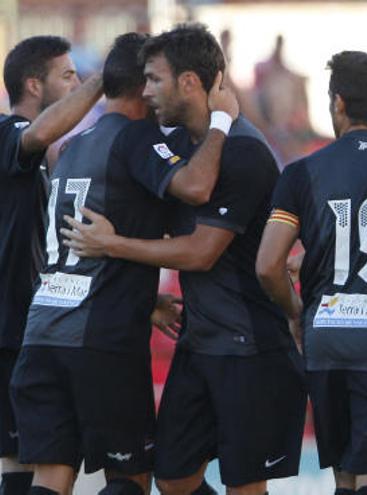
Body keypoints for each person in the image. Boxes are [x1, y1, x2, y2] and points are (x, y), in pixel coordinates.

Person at [61, 24, 306, 495]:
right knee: (173, 478)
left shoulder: (245, 151)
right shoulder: (179, 147)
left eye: (154, 79)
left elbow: (200, 252)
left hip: (247, 344)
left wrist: (114, 246)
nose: (146, 90)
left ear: (189, 82)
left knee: (244, 486)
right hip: (199, 341)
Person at [12, 32, 236, 495]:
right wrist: (221, 124)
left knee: (51, 475)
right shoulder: (136, 137)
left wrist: (143, 296)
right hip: (100, 338)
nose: (157, 91)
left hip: (43, 331)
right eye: (152, 79)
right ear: (141, 86)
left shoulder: (73, 146)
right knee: (130, 476)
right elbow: (195, 188)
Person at [257, 50, 367, 495]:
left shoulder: (302, 172)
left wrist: (297, 312)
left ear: (338, 103)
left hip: (326, 338)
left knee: (346, 480)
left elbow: (268, 265)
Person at [0, 34, 104, 495]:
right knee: (24, 456)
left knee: (29, 458)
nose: (77, 84)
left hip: (33, 322)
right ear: (33, 85)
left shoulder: (47, 157)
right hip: (9, 326)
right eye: (67, 76)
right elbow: (39, 132)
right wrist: (103, 81)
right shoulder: (9, 134)